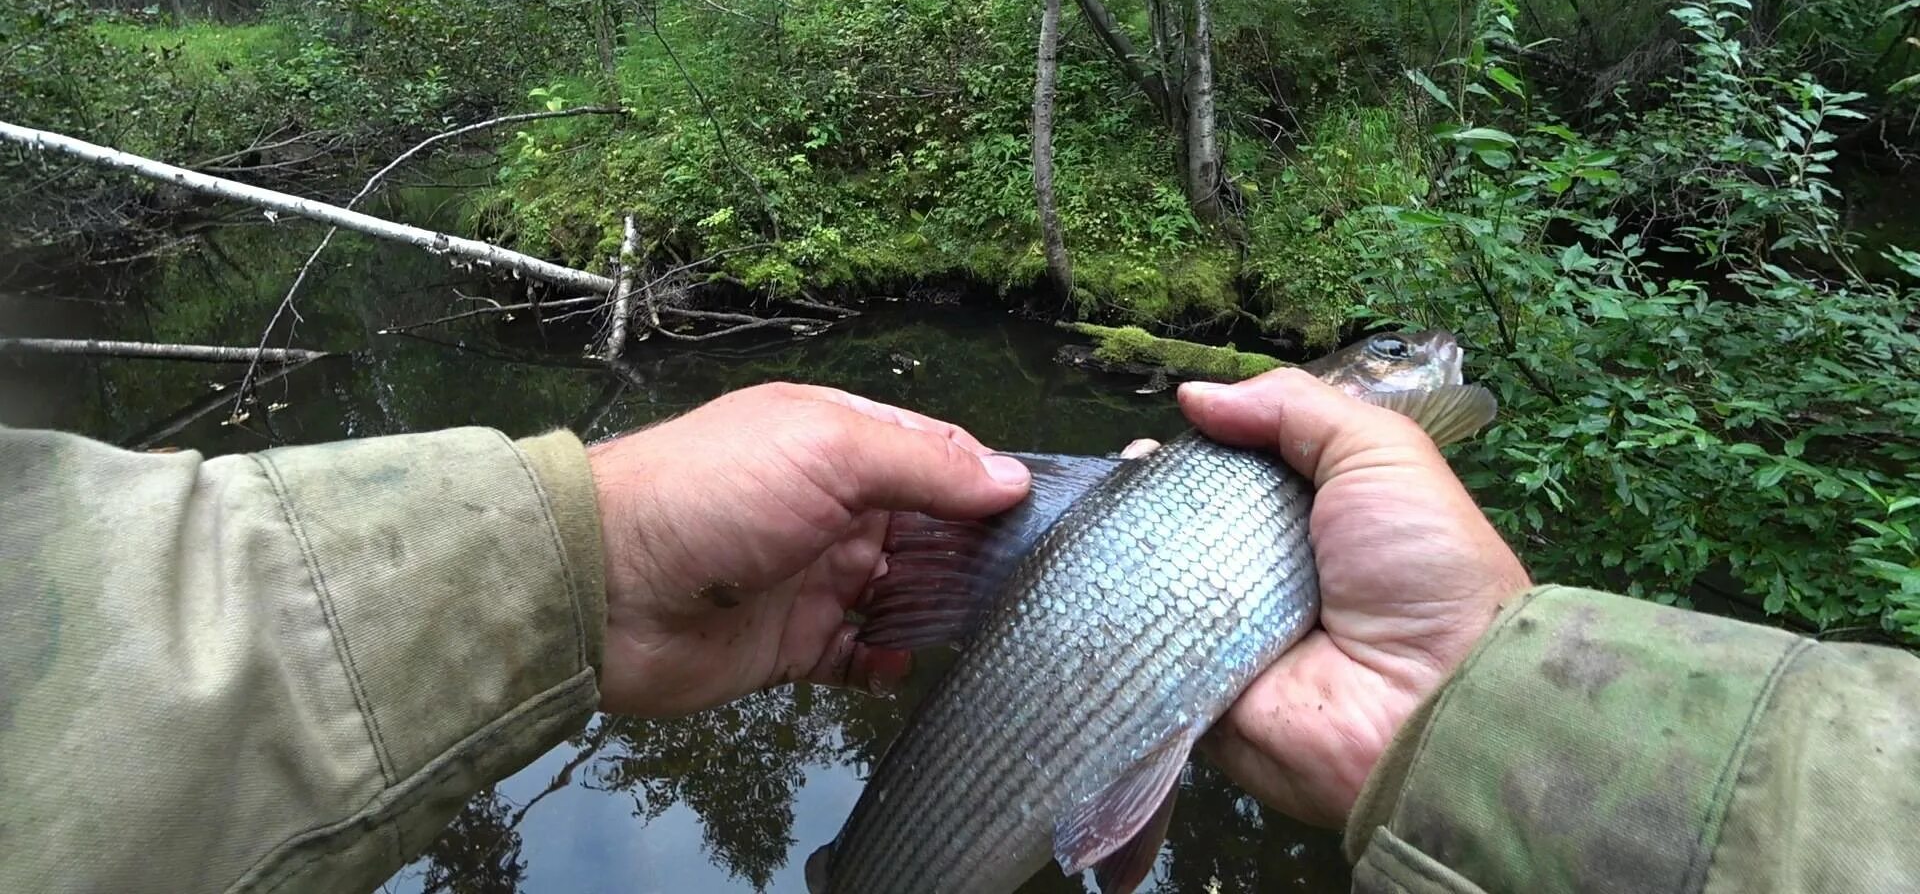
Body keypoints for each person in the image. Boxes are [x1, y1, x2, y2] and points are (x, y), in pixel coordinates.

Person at [1, 370, 1914, 893]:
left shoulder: (1309, 489)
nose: (1424, 384)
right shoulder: (1253, 472)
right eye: (1395, 377)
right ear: (1344, 397)